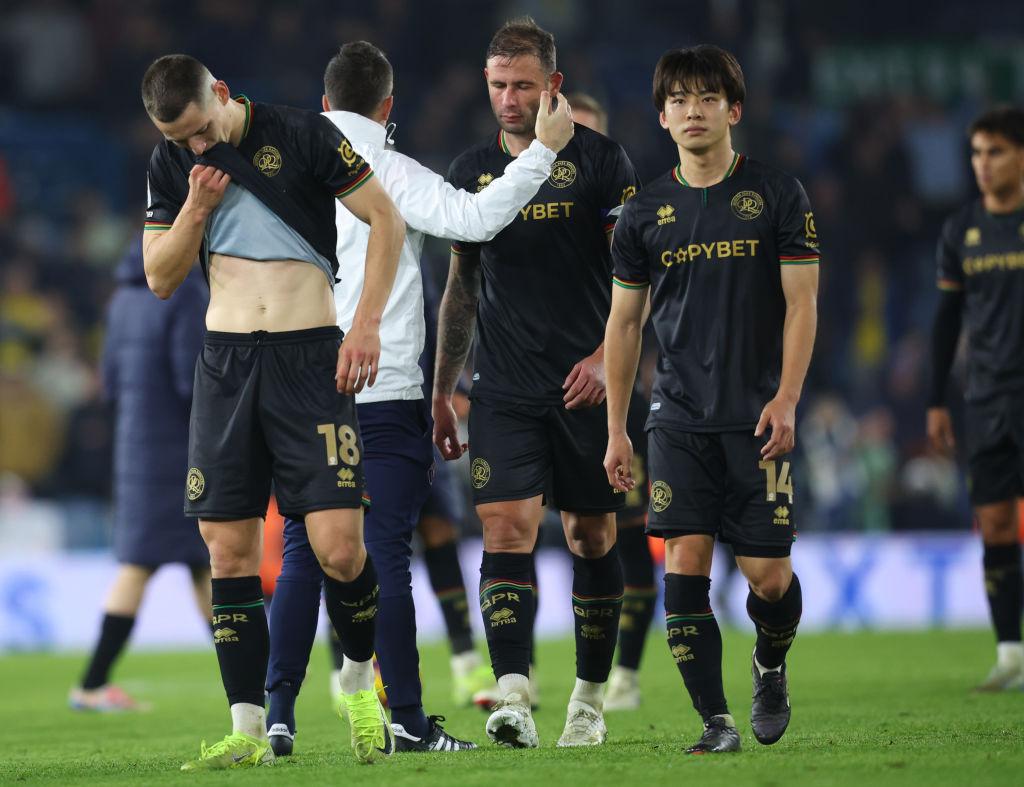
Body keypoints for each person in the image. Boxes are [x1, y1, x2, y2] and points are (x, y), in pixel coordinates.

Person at [262, 40, 574, 756]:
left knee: (302, 553)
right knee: (384, 555)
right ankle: (405, 716)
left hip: (301, 390)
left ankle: (275, 715)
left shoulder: (288, 170)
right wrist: (543, 153)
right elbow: (474, 219)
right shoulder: (391, 172)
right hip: (385, 386)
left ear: (323, 102)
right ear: (389, 106)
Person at [140, 53, 405, 769]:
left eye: (201, 128)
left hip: (310, 361)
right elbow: (160, 278)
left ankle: (355, 678)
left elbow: (386, 220)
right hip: (225, 365)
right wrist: (195, 205)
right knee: (227, 551)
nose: (196, 146)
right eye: (180, 138)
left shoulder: (304, 136)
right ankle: (248, 727)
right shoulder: (171, 166)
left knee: (341, 549)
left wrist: (366, 325)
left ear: (222, 94)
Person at [603, 45, 819, 754]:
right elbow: (625, 324)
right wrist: (617, 429)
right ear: (663, 117)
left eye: (707, 97)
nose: (693, 110)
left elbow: (801, 304)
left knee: (770, 576)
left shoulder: (779, 194)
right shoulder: (642, 214)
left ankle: (770, 661)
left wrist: (787, 398)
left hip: (758, 417)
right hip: (678, 418)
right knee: (685, 561)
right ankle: (716, 720)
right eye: (680, 100)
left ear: (734, 109)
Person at [434, 17, 640, 748]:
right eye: (498, 85)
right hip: (505, 386)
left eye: (523, 84)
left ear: (552, 84)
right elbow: (461, 289)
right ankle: (515, 691)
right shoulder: (470, 171)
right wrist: (444, 385)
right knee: (505, 527)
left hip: (585, 387)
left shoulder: (602, 161)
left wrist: (602, 357)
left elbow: (639, 277)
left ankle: (588, 698)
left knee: (590, 535)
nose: (509, 98)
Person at [69, 238, 211, 713]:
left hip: (134, 452)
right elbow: (190, 381)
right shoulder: (185, 292)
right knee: (202, 557)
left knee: (184, 562)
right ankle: (91, 683)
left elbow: (108, 385)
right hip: (180, 452)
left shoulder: (122, 299)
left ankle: (92, 683)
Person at [561, 90, 657, 711]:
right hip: (552, 390)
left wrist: (616, 363)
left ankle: (624, 670)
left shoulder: (631, 206)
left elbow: (643, 297)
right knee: (557, 535)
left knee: (628, 530)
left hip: (622, 396)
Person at [927, 106, 1024, 691]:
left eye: (996, 152)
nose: (982, 165)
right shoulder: (961, 229)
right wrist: (937, 400)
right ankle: (1011, 656)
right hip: (986, 398)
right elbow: (946, 321)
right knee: (994, 524)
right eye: (977, 153)